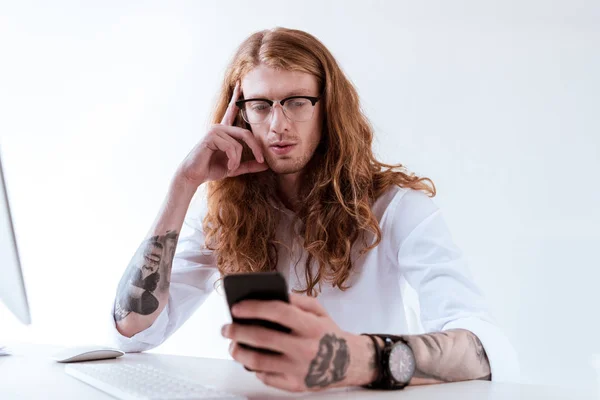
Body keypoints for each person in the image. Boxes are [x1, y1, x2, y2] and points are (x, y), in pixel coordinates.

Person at [111, 27, 519, 392]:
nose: (278, 125)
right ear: (239, 114)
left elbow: (487, 350)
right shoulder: (225, 212)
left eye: (297, 102)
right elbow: (134, 330)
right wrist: (183, 185)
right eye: (261, 105)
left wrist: (352, 358)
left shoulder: (395, 207)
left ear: (328, 107)